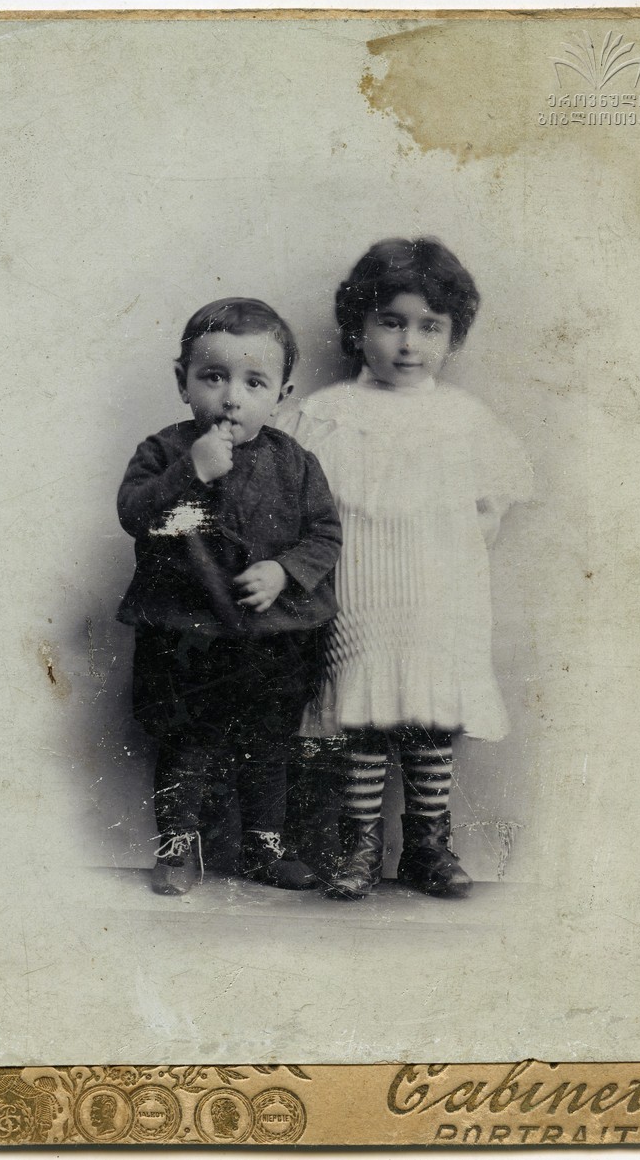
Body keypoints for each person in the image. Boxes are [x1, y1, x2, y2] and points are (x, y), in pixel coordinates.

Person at [277, 238, 532, 901]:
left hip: (439, 592)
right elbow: (299, 505)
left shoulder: (463, 419)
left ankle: (426, 845)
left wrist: (451, 552)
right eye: (391, 322)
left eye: (430, 326)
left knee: (430, 714)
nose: (409, 343)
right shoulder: (325, 415)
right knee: (364, 715)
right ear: (359, 326)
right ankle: (359, 845)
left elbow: (490, 507)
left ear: (452, 336)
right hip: (361, 591)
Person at [117, 298, 342, 896]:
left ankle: (263, 848)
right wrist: (189, 471)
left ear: (282, 395)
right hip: (185, 635)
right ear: (183, 382)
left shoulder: (296, 464)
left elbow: (325, 533)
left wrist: (284, 572)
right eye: (213, 377)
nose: (231, 398)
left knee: (269, 747)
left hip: (272, 639)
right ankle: (176, 849)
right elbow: (135, 515)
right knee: (185, 742)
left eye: (254, 382)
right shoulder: (163, 452)